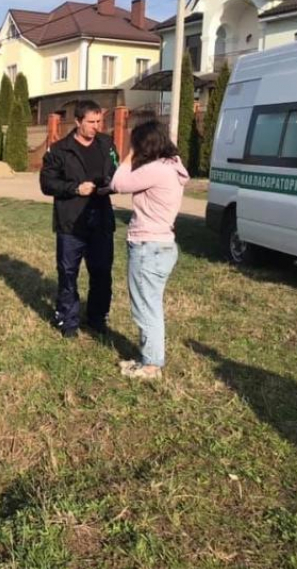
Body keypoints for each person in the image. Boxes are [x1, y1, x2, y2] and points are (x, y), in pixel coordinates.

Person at [110, 120, 189, 379]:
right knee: (150, 305)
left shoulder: (157, 169)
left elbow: (118, 183)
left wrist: (129, 155)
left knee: (146, 308)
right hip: (162, 245)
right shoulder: (172, 166)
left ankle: (152, 365)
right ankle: (148, 358)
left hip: (148, 247)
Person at [40, 101, 119, 338]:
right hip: (71, 223)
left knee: (102, 273)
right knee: (68, 274)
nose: (96, 127)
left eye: (99, 122)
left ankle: (97, 318)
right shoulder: (59, 150)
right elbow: (47, 184)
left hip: (101, 220)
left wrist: (111, 185)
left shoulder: (107, 144)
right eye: (91, 122)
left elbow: (117, 170)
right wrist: (75, 188)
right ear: (77, 122)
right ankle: (68, 321)